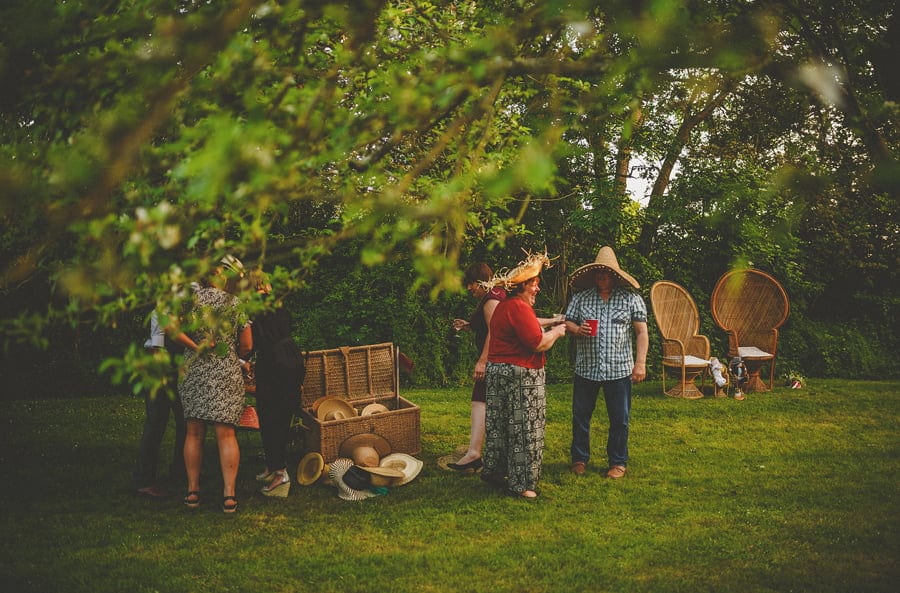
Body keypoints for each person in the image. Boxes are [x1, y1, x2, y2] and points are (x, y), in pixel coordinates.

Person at [480, 251, 568, 499]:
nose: (537, 288)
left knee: (499, 425)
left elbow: (530, 322)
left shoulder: (506, 306)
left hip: (499, 372)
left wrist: (551, 321)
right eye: (534, 284)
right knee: (525, 429)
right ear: (522, 286)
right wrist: (558, 331)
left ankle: (495, 471)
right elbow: (537, 343)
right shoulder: (519, 307)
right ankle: (522, 484)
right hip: (521, 376)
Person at [173, 255, 253, 513]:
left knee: (193, 432)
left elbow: (172, 330)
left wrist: (195, 346)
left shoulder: (190, 301)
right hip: (224, 370)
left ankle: (192, 491)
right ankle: (229, 495)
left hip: (194, 370)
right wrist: (234, 352)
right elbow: (247, 344)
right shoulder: (234, 303)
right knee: (226, 434)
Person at [564, 246, 648, 479]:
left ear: (615, 275)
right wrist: (577, 329)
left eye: (606, 272)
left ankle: (617, 462)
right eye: (598, 272)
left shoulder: (631, 299)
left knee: (619, 419)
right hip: (586, 368)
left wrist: (640, 364)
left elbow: (642, 333)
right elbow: (567, 322)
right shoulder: (581, 298)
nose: (601, 276)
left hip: (619, 369)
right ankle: (579, 459)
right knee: (581, 416)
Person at [240, 269, 305, 498]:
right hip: (291, 356)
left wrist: (242, 359)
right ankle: (273, 465)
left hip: (274, 361)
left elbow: (249, 343)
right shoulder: (277, 301)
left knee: (271, 416)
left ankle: (280, 474)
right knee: (280, 413)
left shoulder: (252, 307)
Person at [447, 262, 506, 472]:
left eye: (471, 283)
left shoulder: (491, 299)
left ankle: (474, 453)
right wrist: (469, 325)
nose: (469, 288)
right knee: (482, 400)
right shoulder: (495, 294)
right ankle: (479, 452)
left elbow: (494, 331)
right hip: (497, 359)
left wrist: (482, 362)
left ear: (480, 281)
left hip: (494, 359)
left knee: (479, 401)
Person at [131, 310, 186, 498]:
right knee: (156, 423)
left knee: (186, 422)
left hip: (180, 369)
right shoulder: (162, 310)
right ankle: (143, 481)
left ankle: (181, 472)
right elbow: (156, 347)